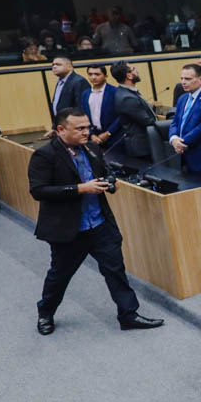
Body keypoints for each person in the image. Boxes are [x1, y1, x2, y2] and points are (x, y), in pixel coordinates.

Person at [28, 108, 163, 334]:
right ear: (61, 130)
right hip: (69, 230)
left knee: (116, 271)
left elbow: (105, 172)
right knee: (59, 276)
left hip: (100, 225)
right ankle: (46, 312)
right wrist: (81, 188)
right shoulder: (45, 155)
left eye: (87, 127)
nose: (86, 132)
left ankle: (128, 315)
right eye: (79, 128)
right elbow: (39, 191)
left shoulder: (92, 148)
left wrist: (111, 183)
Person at [108, 62, 157, 159]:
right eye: (134, 69)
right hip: (142, 148)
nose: (137, 71)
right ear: (129, 75)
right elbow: (148, 121)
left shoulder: (126, 92)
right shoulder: (127, 98)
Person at [83, 63, 118, 145]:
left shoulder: (114, 91)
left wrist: (109, 132)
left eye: (97, 74)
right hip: (94, 137)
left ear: (105, 76)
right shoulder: (85, 94)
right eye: (90, 74)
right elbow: (84, 115)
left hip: (114, 136)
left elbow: (121, 115)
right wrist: (91, 134)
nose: (93, 77)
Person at [47, 55, 89, 122]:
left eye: (58, 64)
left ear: (69, 67)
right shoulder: (60, 81)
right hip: (63, 123)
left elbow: (81, 107)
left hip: (74, 124)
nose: (54, 67)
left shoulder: (79, 81)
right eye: (53, 65)